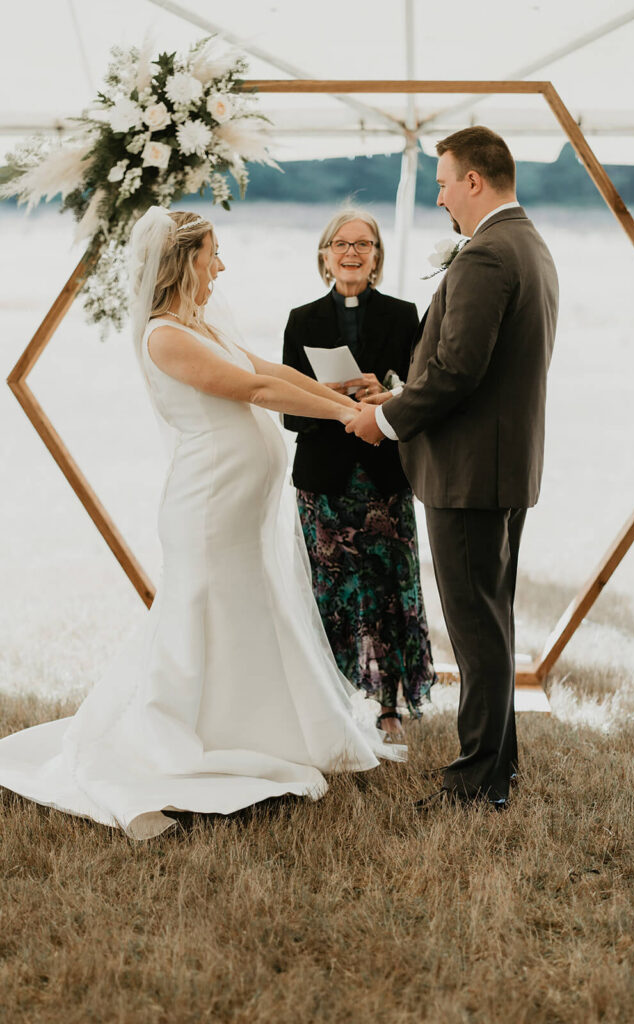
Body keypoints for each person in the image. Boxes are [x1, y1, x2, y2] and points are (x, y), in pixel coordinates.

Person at [0, 207, 405, 840]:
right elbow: (254, 392)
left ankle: (256, 727)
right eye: (213, 254)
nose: (221, 266)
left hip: (234, 508)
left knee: (246, 612)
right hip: (207, 506)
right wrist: (346, 421)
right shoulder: (166, 335)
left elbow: (275, 372)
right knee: (196, 615)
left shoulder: (198, 323)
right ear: (186, 260)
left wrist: (348, 404)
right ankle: (163, 743)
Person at [348, 127, 559, 808]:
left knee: (474, 629)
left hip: (471, 474)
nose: (437, 196)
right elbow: (474, 369)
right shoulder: (527, 244)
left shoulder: (488, 256)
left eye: (441, 182)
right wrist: (403, 391)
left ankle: (475, 782)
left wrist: (383, 419)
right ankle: (499, 767)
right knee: (490, 622)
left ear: (474, 179)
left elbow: (457, 372)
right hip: (500, 466)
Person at [282, 208, 437, 742]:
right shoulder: (301, 320)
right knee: (329, 594)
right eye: (341, 243)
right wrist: (333, 401)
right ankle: (329, 703)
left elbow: (417, 394)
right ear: (324, 255)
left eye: (364, 244)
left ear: (377, 256)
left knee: (388, 590)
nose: (352, 252)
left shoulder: (402, 314)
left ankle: (388, 706)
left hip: (383, 478)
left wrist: (384, 396)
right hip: (323, 482)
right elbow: (287, 413)